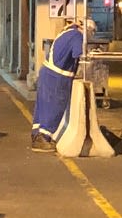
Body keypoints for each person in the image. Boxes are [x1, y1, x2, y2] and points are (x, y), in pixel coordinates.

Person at [32, 17, 88, 148]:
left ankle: (36, 133)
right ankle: (44, 137)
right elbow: (78, 54)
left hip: (47, 73)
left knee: (43, 105)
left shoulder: (65, 32)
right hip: (58, 78)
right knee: (55, 106)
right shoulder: (77, 36)